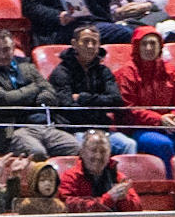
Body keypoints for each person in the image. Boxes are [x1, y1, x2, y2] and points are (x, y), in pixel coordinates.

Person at [0, 28, 77, 158]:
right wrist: (34, 89)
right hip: (12, 132)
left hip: (44, 126)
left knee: (77, 149)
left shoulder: (26, 66)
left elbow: (50, 94)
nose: (2, 55)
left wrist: (27, 99)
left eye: (6, 50)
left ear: (13, 48)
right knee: (37, 153)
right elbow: (6, 101)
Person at [115, 25, 175, 173]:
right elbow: (129, 108)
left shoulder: (170, 71)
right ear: (137, 46)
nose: (149, 48)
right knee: (162, 144)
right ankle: (171, 188)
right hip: (139, 128)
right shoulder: (127, 73)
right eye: (144, 44)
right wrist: (159, 120)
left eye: (153, 43)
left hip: (169, 125)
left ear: (160, 46)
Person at [48, 25, 138, 155]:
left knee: (129, 144)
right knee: (85, 147)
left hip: (101, 129)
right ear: (74, 44)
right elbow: (67, 107)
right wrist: (99, 104)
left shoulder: (103, 71)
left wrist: (82, 98)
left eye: (94, 42)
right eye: (85, 41)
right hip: (75, 130)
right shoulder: (61, 72)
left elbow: (117, 101)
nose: (90, 46)